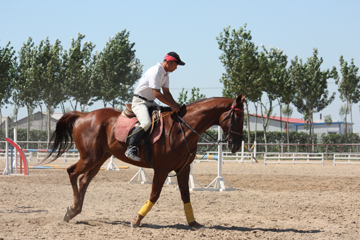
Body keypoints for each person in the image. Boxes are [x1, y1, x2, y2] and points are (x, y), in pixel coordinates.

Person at [125, 51, 185, 161]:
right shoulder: (155, 71)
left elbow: (166, 93)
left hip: (151, 102)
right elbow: (157, 93)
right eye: (176, 64)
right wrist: (172, 105)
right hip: (140, 102)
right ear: (168, 62)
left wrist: (176, 105)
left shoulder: (165, 74)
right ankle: (130, 148)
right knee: (146, 123)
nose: (176, 67)